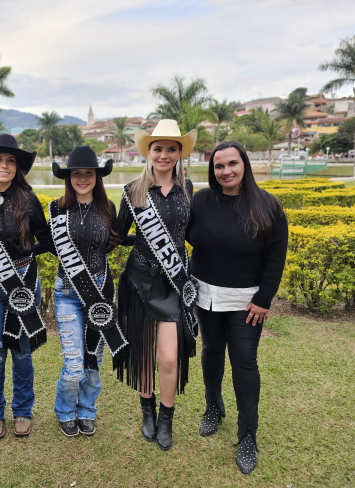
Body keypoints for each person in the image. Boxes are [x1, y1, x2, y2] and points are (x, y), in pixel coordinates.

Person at [187, 140, 288, 474]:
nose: (226, 171)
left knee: (244, 362)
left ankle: (247, 435)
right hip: (206, 294)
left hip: (246, 301)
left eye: (232, 163)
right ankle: (213, 407)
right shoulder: (201, 200)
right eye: (219, 166)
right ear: (212, 170)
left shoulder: (268, 206)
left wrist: (263, 299)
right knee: (212, 351)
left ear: (244, 164)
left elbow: (276, 257)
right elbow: (180, 233)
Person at [115, 119, 198, 451]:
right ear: (148, 152)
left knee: (168, 357)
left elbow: (192, 233)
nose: (164, 155)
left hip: (172, 284)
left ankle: (166, 419)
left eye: (171, 149)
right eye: (158, 148)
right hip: (138, 279)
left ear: (179, 154)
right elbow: (119, 235)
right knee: (143, 352)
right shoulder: (132, 190)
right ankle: (147, 411)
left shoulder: (187, 189)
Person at [0, 134, 53, 440]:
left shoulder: (28, 199)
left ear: (17, 167)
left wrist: (26, 256)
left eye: (11, 160)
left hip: (24, 283)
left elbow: (47, 240)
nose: (4, 165)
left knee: (21, 352)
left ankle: (22, 410)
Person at [47, 146, 129, 437]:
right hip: (68, 292)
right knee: (74, 364)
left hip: (101, 292)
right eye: (76, 174)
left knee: (94, 360)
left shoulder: (108, 208)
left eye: (88, 173)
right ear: (68, 178)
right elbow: (50, 244)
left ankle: (86, 410)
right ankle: (65, 411)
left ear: (97, 176)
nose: (82, 179)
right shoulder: (57, 209)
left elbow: (112, 242)